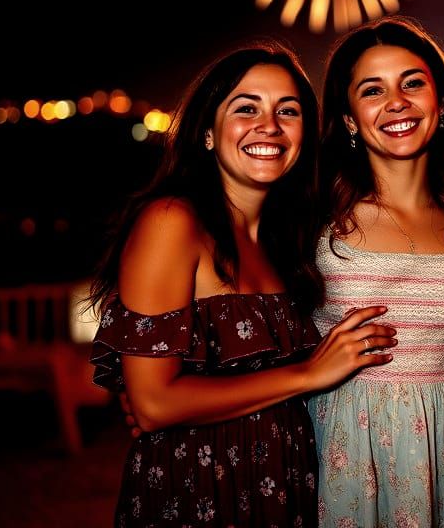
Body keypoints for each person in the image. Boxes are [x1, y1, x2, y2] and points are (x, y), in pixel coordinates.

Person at [88, 40, 396, 527]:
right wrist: (309, 373)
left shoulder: (288, 241)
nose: (269, 126)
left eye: (287, 111)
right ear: (208, 131)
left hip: (283, 482)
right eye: (246, 107)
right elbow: (152, 404)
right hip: (199, 488)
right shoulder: (173, 222)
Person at [310, 17, 444, 527]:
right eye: (372, 90)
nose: (396, 102)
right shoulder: (318, 221)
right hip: (348, 442)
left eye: (412, 83)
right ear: (350, 118)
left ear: (439, 104)